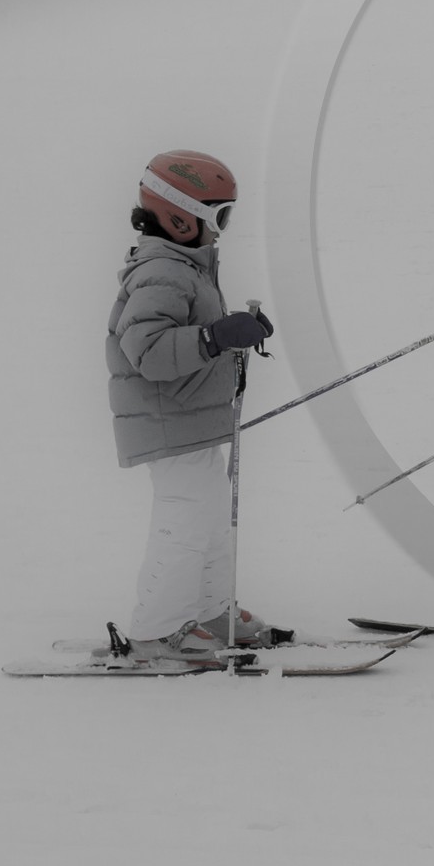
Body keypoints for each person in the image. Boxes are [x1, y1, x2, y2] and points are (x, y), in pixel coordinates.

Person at [106, 151, 277, 659]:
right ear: (181, 218)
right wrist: (214, 336)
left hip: (188, 420)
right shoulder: (165, 272)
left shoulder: (185, 267)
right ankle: (156, 630)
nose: (222, 231)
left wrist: (229, 336)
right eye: (218, 217)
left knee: (207, 518)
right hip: (168, 421)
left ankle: (209, 611)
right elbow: (149, 352)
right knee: (184, 522)